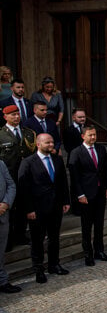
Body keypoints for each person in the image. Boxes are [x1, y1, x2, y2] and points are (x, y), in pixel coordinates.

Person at [19, 133, 70, 284]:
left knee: (54, 238)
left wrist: (66, 201)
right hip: (37, 209)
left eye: (52, 142)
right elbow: (23, 188)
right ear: (38, 144)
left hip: (56, 207)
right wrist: (29, 209)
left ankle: (54, 264)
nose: (51, 145)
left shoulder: (57, 159)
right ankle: (39, 269)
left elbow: (63, 182)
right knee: (37, 240)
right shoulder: (28, 162)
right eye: (47, 142)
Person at [68, 125, 107, 266]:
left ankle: (99, 250)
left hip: (100, 192)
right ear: (83, 136)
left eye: (94, 135)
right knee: (87, 226)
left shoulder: (100, 149)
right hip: (86, 194)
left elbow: (106, 169)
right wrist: (80, 194)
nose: (93, 137)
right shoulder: (76, 152)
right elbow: (75, 177)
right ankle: (88, 253)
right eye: (90, 135)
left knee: (99, 224)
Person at [0, 105, 36, 250]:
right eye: (13, 115)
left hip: (24, 177)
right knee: (10, 208)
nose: (16, 117)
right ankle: (8, 240)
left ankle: (21, 235)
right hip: (9, 177)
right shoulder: (1, 135)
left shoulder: (27, 133)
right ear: (5, 117)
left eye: (17, 114)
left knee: (23, 206)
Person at [0, 159, 20, 293]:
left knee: (0, 252)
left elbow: (11, 185)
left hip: (2, 215)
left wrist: (6, 203)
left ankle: (2, 281)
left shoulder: (1, 164)